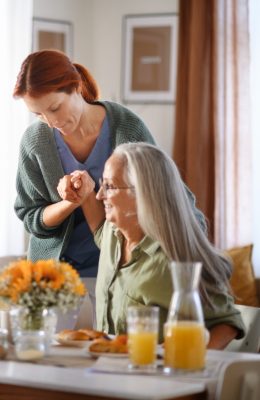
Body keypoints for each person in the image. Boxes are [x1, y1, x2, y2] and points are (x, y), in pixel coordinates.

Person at [12, 50, 206, 329]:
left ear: (76, 87)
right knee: (48, 366)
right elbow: (31, 217)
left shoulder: (126, 128)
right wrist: (70, 202)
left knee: (114, 362)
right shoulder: (35, 141)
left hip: (121, 272)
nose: (50, 122)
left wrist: (198, 253)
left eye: (54, 108)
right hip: (54, 278)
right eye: (38, 114)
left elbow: (169, 194)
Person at [67, 143, 244, 349]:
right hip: (109, 370)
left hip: (150, 374)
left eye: (110, 186)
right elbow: (99, 230)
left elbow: (227, 322)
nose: (100, 195)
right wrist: (84, 190)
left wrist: (184, 365)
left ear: (142, 193)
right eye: (101, 184)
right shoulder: (112, 234)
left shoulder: (171, 260)